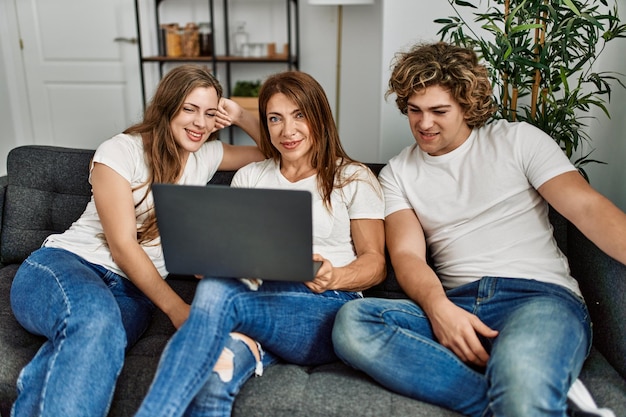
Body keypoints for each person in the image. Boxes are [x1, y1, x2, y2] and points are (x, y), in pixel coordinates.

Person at [332, 42, 626, 417]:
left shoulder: (517, 141)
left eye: (439, 111)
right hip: (459, 304)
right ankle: (517, 399)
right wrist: (438, 308)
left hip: (540, 299)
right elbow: (406, 256)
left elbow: (587, 208)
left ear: (467, 105)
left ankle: (521, 390)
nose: (424, 124)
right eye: (414, 111)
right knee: (353, 323)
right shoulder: (397, 174)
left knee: (521, 371)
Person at [9, 64, 266, 417]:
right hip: (64, 266)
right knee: (96, 322)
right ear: (167, 107)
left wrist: (240, 115)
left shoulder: (206, 156)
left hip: (134, 293)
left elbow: (275, 153)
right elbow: (122, 246)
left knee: (96, 340)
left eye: (210, 113)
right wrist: (178, 310)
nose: (200, 123)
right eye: (189, 109)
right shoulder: (121, 150)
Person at [132, 70, 386, 417]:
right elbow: (227, 253)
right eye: (275, 119)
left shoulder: (353, 177)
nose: (288, 130)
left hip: (322, 306)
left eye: (299, 115)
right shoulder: (251, 176)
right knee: (213, 378)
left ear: (319, 117)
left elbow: (375, 263)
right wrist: (211, 262)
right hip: (254, 305)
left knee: (220, 292)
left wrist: (335, 277)